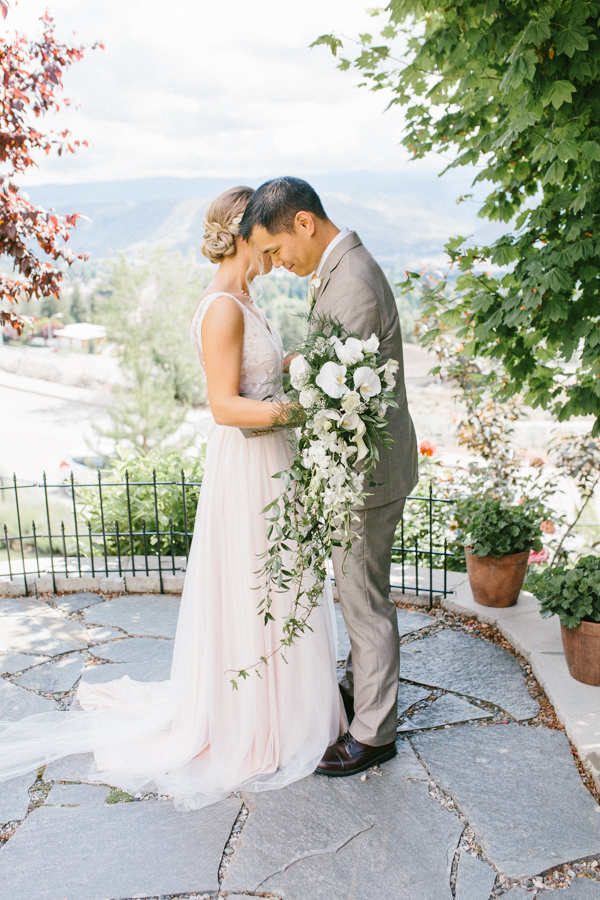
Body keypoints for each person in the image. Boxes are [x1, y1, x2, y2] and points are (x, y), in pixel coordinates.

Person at [0, 186, 344, 810]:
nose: (273, 245)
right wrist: (305, 406)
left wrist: (300, 365)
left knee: (282, 583)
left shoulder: (246, 298)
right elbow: (223, 405)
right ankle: (255, 720)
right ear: (246, 233)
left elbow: (255, 375)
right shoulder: (221, 307)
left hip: (271, 459)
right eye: (264, 233)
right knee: (258, 586)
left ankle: (290, 705)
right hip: (249, 463)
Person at [241, 177, 418, 776]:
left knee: (363, 601)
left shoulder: (353, 282)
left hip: (366, 473)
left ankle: (374, 731)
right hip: (361, 465)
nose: (278, 263)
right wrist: (300, 362)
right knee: (355, 591)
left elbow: (341, 389)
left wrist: (293, 374)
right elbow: (330, 365)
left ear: (304, 225)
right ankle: (361, 691)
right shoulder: (343, 269)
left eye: (277, 248)